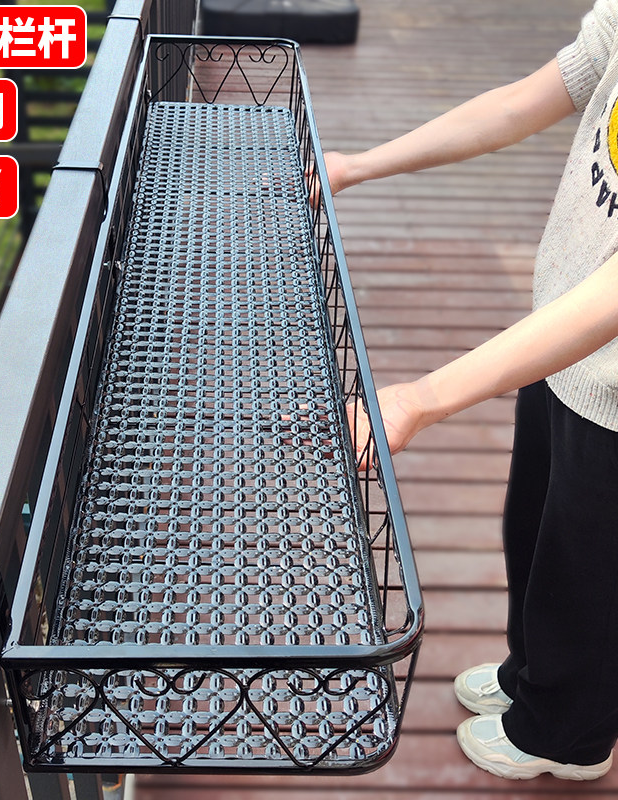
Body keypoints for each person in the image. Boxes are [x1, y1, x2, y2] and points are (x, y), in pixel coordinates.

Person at [321, 0, 618, 782]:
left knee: (591, 569)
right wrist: (360, 165)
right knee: (537, 528)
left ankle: (568, 736)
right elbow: (522, 101)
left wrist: (421, 397)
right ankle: (534, 674)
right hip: (560, 339)